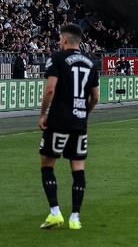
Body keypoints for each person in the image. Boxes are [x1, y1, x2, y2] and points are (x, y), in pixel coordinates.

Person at [38, 23, 99, 230]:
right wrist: (84, 113)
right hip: (79, 121)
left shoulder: (57, 58)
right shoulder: (91, 62)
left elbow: (50, 90)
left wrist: (42, 114)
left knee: (47, 163)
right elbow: (96, 96)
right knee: (78, 168)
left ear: (64, 39)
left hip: (59, 120)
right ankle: (75, 217)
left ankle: (55, 212)